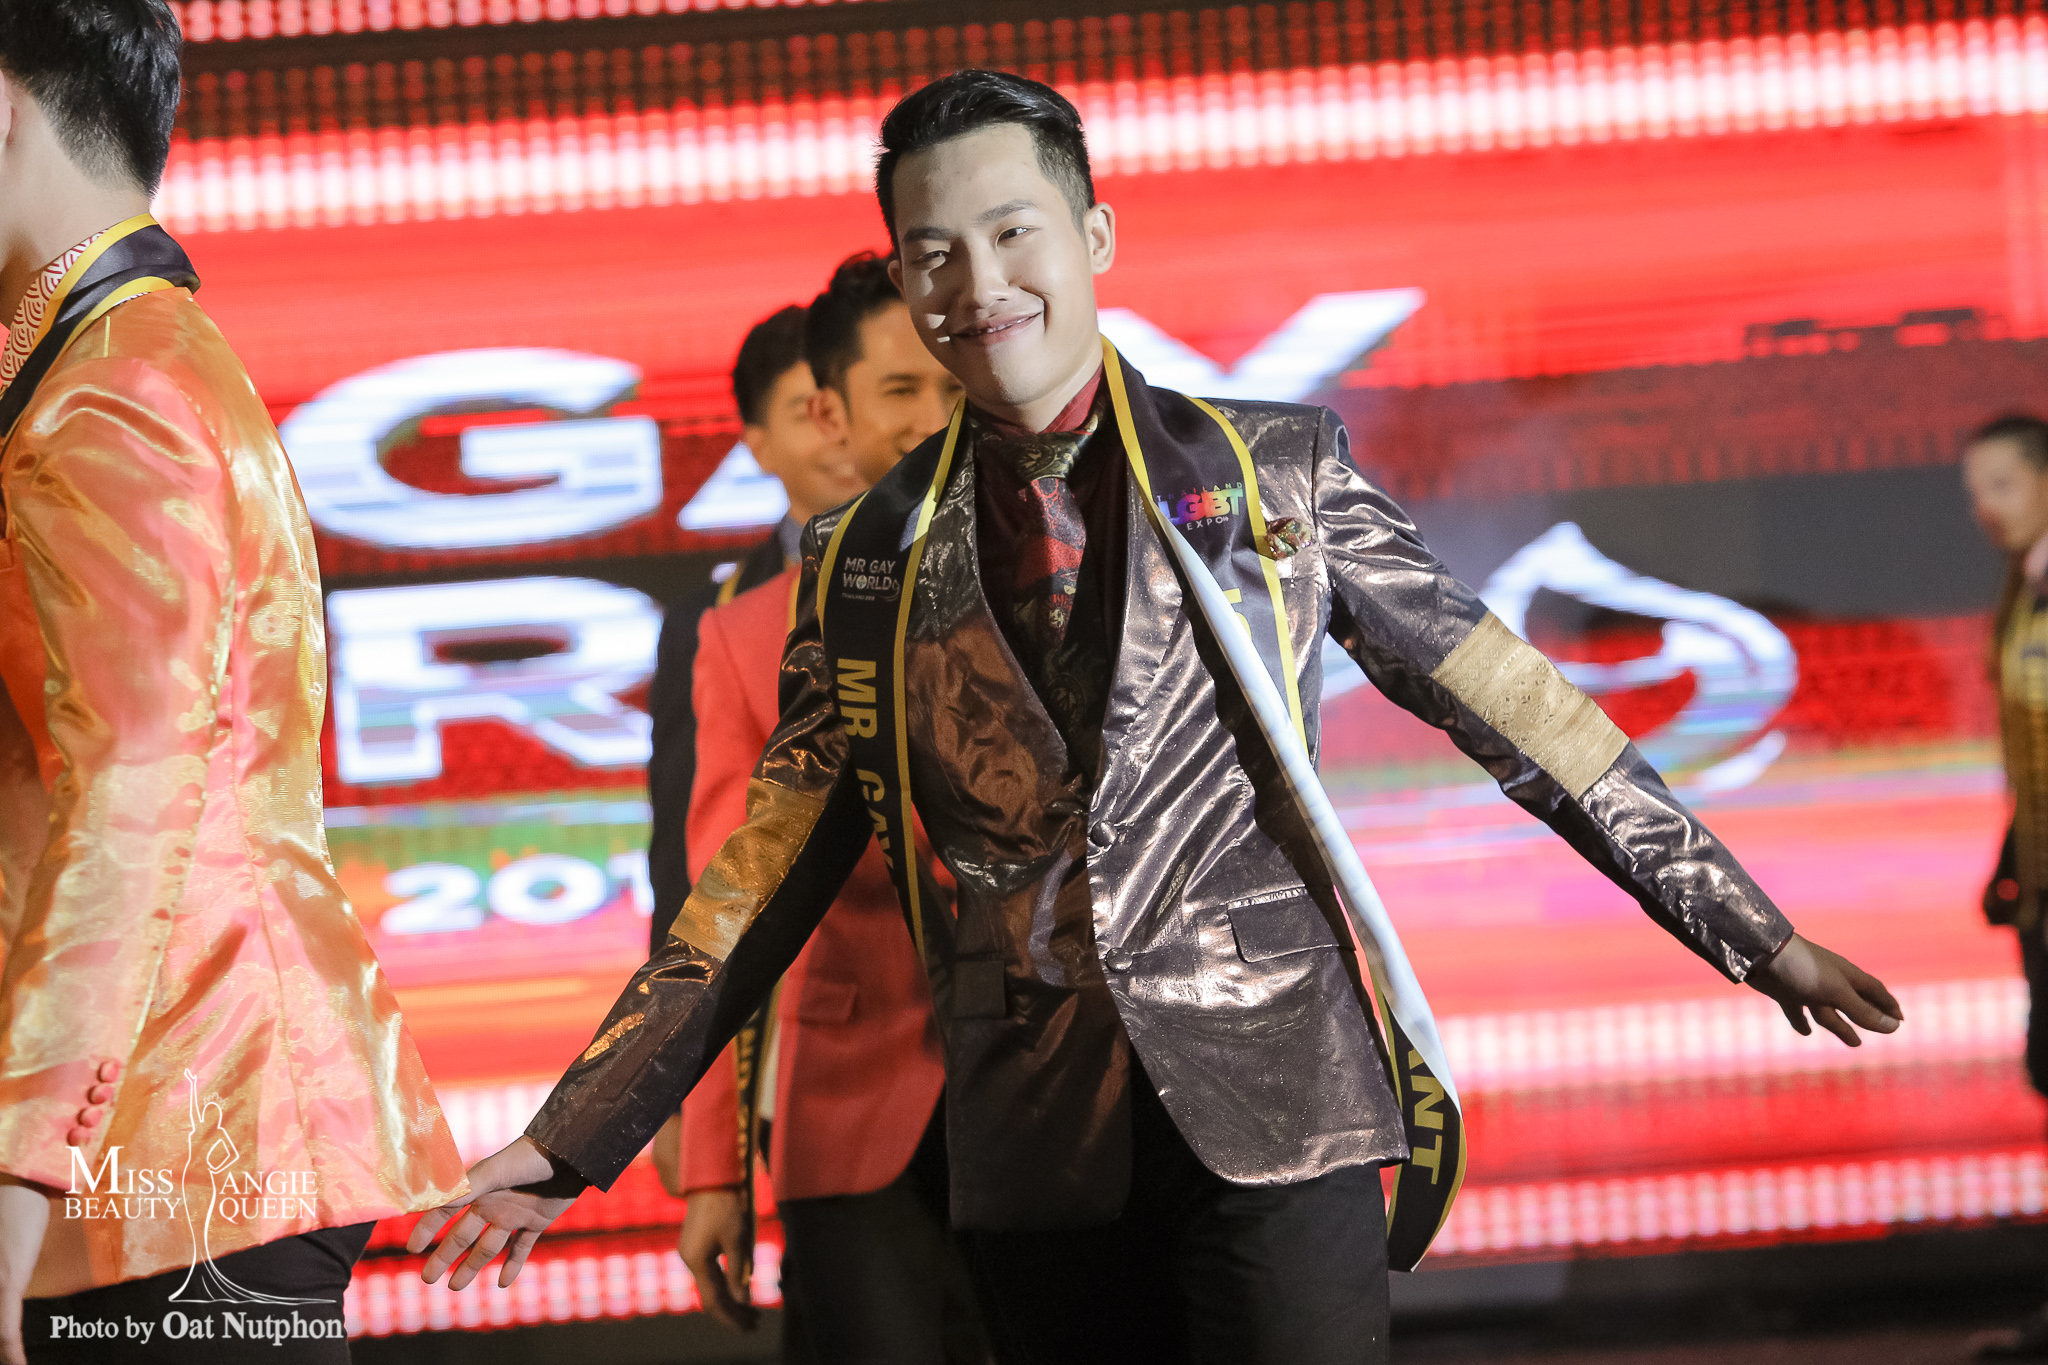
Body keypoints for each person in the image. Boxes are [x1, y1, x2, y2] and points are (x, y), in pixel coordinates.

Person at [414, 70, 1904, 1365]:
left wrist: (1744, 926)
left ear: (1096, 238)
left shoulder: (1272, 473)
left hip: (1283, 1106)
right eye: (933, 253)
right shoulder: (864, 558)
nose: (979, 282)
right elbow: (756, 879)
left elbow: (1512, 705)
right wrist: (573, 1137)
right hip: (1033, 1137)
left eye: (1013, 232)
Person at [0, 4, 468, 1362]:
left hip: (181, 1135)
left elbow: (134, 790)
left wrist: (19, 1166)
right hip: (167, 1133)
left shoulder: (114, 392)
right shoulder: (101, 360)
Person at [665, 254, 981, 1364]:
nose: (933, 417)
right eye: (900, 388)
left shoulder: (1074, 576)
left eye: (952, 385)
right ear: (833, 414)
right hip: (850, 1113)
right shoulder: (744, 636)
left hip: (1054, 1102)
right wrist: (711, 1167)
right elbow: (722, 911)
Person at [646, 304, 858, 952]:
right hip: (810, 971)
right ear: (758, 446)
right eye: (807, 412)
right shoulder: (709, 625)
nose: (838, 433)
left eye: (848, 404)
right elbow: (685, 852)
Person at [1963, 415, 2048, 1361]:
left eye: (2003, 485)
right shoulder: (2023, 586)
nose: (1987, 509)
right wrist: (2014, 860)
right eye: (1976, 492)